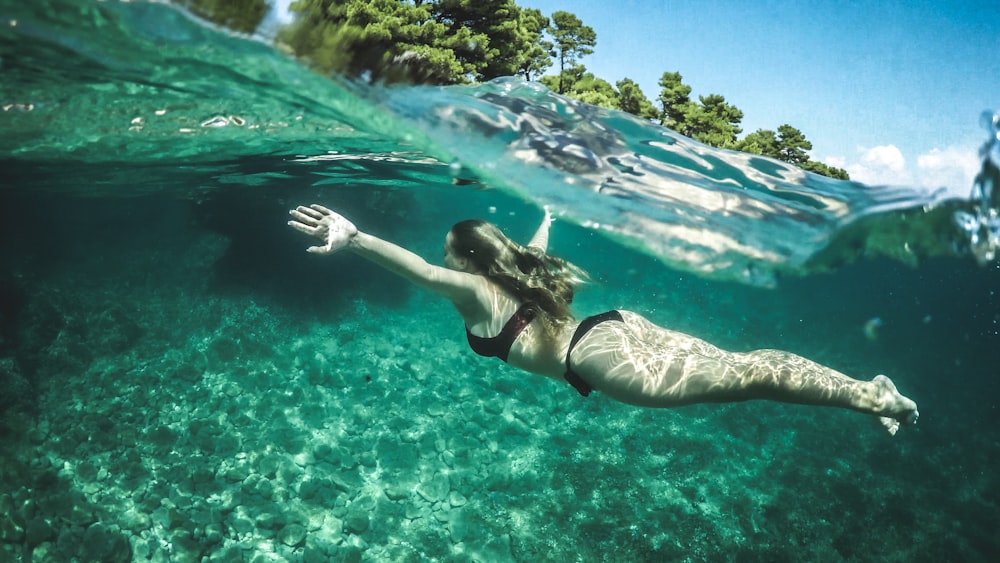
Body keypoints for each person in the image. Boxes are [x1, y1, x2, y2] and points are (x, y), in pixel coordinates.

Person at [288, 204, 919, 435]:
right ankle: (868, 391)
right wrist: (550, 217)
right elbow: (527, 244)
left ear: (468, 260)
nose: (442, 259)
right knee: (743, 362)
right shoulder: (522, 266)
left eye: (450, 251)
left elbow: (421, 274)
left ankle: (873, 399)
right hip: (619, 327)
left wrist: (355, 238)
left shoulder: (476, 291)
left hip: (597, 361)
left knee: (750, 377)